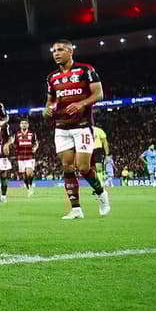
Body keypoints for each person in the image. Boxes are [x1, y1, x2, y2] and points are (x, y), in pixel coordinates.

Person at [43, 39, 110, 219]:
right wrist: (47, 110)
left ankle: (101, 193)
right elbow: (50, 102)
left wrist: (81, 103)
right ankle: (76, 209)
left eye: (60, 50)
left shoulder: (85, 70)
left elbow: (99, 94)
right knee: (67, 167)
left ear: (70, 51)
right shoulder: (51, 78)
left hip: (82, 126)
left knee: (82, 167)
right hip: (61, 128)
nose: (56, 53)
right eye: (54, 50)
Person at [4, 119, 38, 197]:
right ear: (20, 125)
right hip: (20, 157)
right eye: (22, 123)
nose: (24, 124)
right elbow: (12, 141)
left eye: (25, 123)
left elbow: (36, 143)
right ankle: (29, 188)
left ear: (28, 125)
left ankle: (30, 186)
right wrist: (9, 145)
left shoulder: (32, 133)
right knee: (24, 175)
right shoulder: (17, 134)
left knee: (29, 172)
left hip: (30, 156)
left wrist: (35, 148)